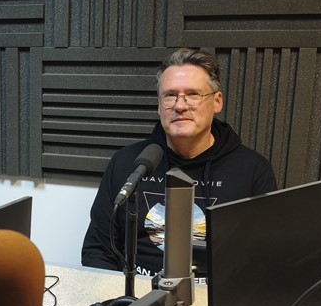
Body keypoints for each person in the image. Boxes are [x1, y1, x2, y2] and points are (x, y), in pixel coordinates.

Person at [81, 47, 276, 278]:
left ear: (217, 102)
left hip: (213, 297)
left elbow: (264, 262)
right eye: (170, 95)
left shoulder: (253, 171)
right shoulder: (128, 163)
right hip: (136, 292)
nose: (180, 106)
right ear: (159, 105)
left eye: (193, 94)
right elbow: (98, 250)